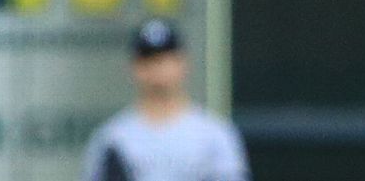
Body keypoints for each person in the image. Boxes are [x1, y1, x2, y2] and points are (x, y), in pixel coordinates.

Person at [80, 19, 251, 181]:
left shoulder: (214, 135)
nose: (158, 69)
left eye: (165, 60)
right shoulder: (113, 139)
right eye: (149, 61)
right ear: (134, 67)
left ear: (183, 63)